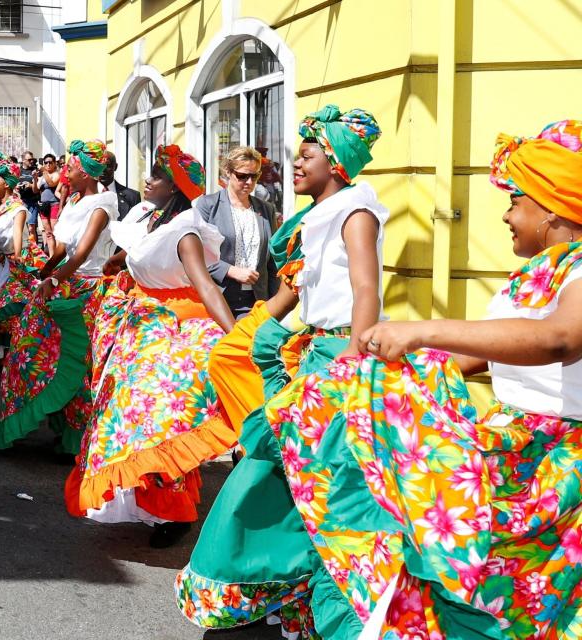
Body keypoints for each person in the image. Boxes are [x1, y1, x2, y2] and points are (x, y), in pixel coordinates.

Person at [190, 119, 582, 638]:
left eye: (514, 201)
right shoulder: (538, 273)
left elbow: (559, 340)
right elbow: (506, 356)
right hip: (515, 440)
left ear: (551, 206)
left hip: (553, 459)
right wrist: (393, 373)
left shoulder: (579, 269)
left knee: (483, 583)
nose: (507, 216)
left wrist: (421, 333)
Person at [177, 105, 387, 632]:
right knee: (290, 480)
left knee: (314, 486)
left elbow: (367, 291)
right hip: (313, 354)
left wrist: (354, 364)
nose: (295, 164)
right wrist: (243, 338)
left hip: (338, 360)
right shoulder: (318, 216)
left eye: (308, 155)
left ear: (336, 163)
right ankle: (282, 594)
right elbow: (291, 293)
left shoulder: (355, 213)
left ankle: (307, 596)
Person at [66, 145, 237, 548]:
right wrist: (118, 265)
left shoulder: (186, 231)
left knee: (165, 424)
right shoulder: (147, 215)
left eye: (158, 176)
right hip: (140, 328)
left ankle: (175, 513)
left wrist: (236, 335)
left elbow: (206, 286)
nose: (147, 180)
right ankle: (147, 504)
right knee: (125, 422)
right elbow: (138, 252)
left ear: (176, 189)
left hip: (175, 329)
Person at [0, 140, 117, 455]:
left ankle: (75, 435)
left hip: (87, 292)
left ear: (87, 172)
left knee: (76, 364)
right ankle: (29, 420)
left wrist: (53, 278)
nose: (64, 169)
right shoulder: (75, 201)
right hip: (63, 284)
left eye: (72, 165)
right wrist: (43, 272)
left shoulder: (102, 205)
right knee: (31, 354)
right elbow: (62, 247)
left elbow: (82, 253)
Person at [196, 146, 280, 317]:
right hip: (217, 298)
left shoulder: (266, 209)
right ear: (227, 172)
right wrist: (229, 270)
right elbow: (195, 256)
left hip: (256, 301)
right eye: (242, 176)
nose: (249, 182)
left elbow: (272, 262)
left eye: (254, 176)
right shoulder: (208, 206)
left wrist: (275, 304)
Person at [99, 150, 141, 221]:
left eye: (107, 166)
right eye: (99, 165)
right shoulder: (86, 194)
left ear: (115, 167)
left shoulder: (132, 197)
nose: (103, 170)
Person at [37, 153, 61, 254]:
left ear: (55, 163)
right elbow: (38, 188)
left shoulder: (56, 174)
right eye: (45, 162)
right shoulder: (43, 175)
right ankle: (51, 256)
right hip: (43, 205)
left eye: (50, 162)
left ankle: (58, 257)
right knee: (48, 233)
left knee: (55, 232)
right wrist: (35, 178)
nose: (47, 164)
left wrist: (44, 172)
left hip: (54, 204)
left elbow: (51, 183)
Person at [18, 151, 42, 243]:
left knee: (32, 227)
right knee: (21, 227)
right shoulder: (18, 170)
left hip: (32, 201)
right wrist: (17, 186)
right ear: (23, 160)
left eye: (33, 159)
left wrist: (31, 184)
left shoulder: (35, 170)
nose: (31, 161)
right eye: (29, 159)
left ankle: (34, 251)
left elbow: (37, 189)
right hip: (21, 201)